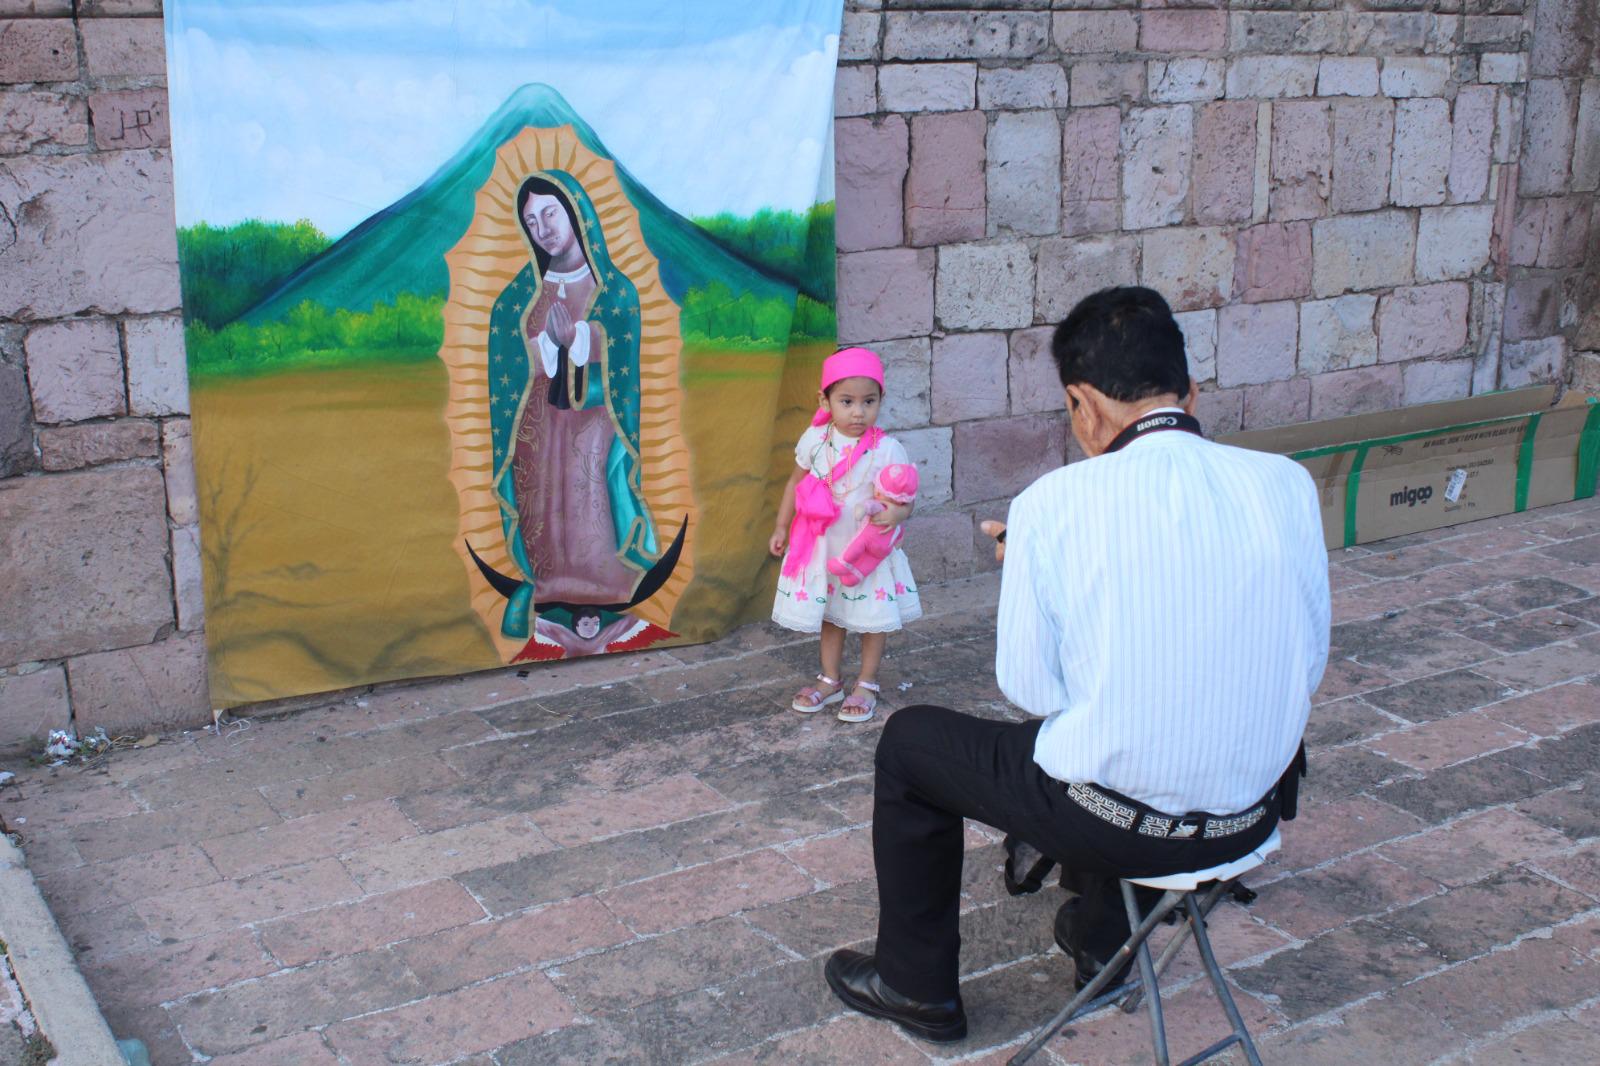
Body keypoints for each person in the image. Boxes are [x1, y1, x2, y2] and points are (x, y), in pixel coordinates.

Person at [823, 287, 1330, 1043]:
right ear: (1190, 393)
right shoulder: (1286, 482)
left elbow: (1033, 689)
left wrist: (1033, 569)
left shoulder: (1054, 505)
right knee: (1142, 715)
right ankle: (1099, 941)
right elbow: (1307, 656)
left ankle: (914, 984)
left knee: (914, 745)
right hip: (1249, 822)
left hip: (1126, 823)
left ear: (1080, 404)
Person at [483, 173, 658, 640]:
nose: (542, 228)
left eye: (550, 213)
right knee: (545, 503)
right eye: (531, 221)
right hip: (540, 423)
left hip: (596, 420)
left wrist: (578, 339)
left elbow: (620, 342)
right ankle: (549, 591)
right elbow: (509, 350)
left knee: (588, 499)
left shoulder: (613, 289)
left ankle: (605, 591)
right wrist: (545, 347)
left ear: (575, 209)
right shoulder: (523, 294)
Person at [770, 347, 922, 723]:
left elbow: (906, 501)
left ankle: (867, 681)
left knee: (872, 615)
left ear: (880, 400)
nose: (858, 412)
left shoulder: (887, 449)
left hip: (865, 553)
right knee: (831, 614)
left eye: (869, 402)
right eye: (847, 401)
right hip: (824, 546)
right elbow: (795, 483)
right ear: (825, 400)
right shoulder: (815, 440)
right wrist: (780, 525)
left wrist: (895, 514)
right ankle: (830, 678)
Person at [827, 463, 920, 587]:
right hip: (880, 545)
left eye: (881, 492)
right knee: (864, 555)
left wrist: (900, 513)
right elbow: (869, 507)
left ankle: (847, 568)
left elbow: (868, 507)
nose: (877, 493)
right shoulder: (881, 505)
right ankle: (849, 570)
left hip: (873, 543)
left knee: (859, 547)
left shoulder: (883, 506)